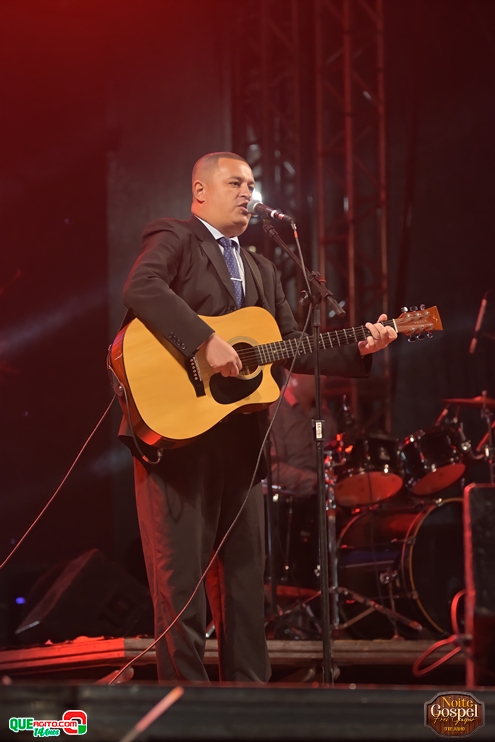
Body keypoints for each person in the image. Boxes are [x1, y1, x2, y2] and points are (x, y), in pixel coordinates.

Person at [119, 151, 397, 683]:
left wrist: (360, 348)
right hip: (178, 438)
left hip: (243, 446)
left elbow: (292, 346)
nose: (248, 193)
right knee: (180, 585)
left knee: (245, 586)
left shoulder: (263, 269)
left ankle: (250, 702)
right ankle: (188, 709)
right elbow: (141, 288)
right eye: (235, 183)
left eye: (251, 184)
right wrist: (204, 341)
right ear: (200, 191)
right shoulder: (176, 237)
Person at [269, 372, 337, 497]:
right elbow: (271, 469)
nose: (323, 376)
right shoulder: (273, 410)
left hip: (323, 499)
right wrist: (316, 481)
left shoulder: (325, 414)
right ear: (291, 373)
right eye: (314, 369)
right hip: (287, 503)